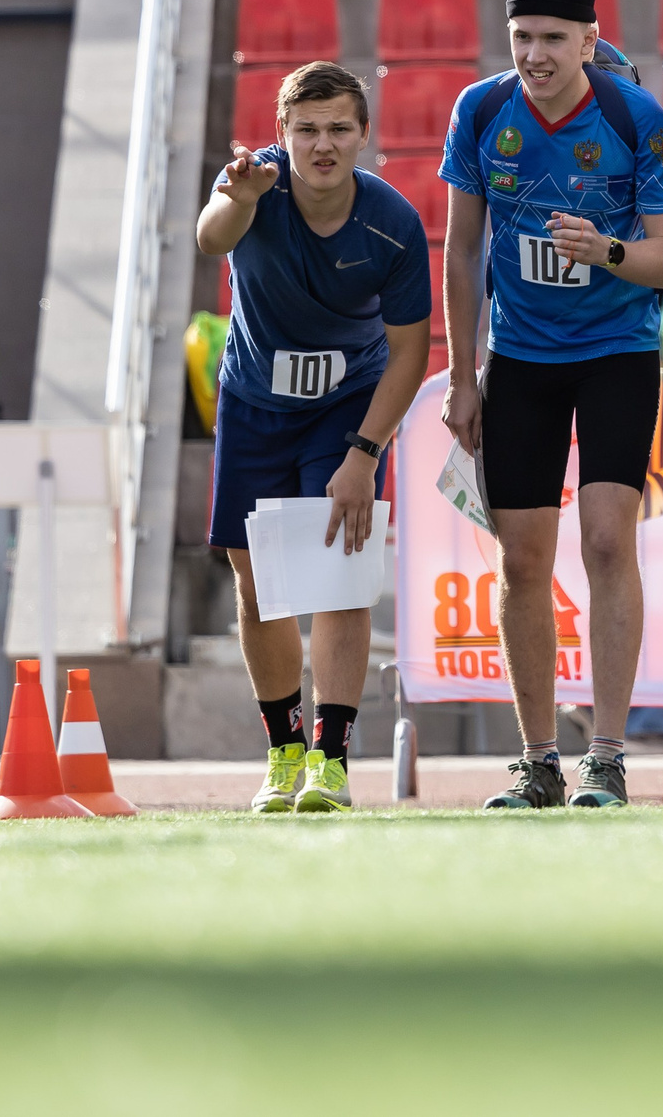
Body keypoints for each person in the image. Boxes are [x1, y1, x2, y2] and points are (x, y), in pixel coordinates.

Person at [441, 0, 663, 810]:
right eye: (522, 38)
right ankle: (538, 760)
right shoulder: (479, 110)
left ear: (590, 39)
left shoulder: (638, 118)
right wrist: (463, 371)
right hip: (518, 361)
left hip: (617, 352)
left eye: (554, 38)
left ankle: (609, 755)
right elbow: (464, 251)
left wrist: (608, 253)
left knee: (609, 543)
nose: (536, 55)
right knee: (521, 560)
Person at [200, 61, 432, 815]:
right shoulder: (253, 181)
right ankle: (284, 748)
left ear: (364, 136)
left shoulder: (392, 222)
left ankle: (329, 762)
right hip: (254, 400)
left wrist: (365, 454)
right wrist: (235, 199)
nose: (322, 144)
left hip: (348, 404)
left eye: (338, 129)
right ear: (282, 134)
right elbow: (211, 240)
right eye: (307, 130)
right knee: (256, 578)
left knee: (338, 568)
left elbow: (410, 352)